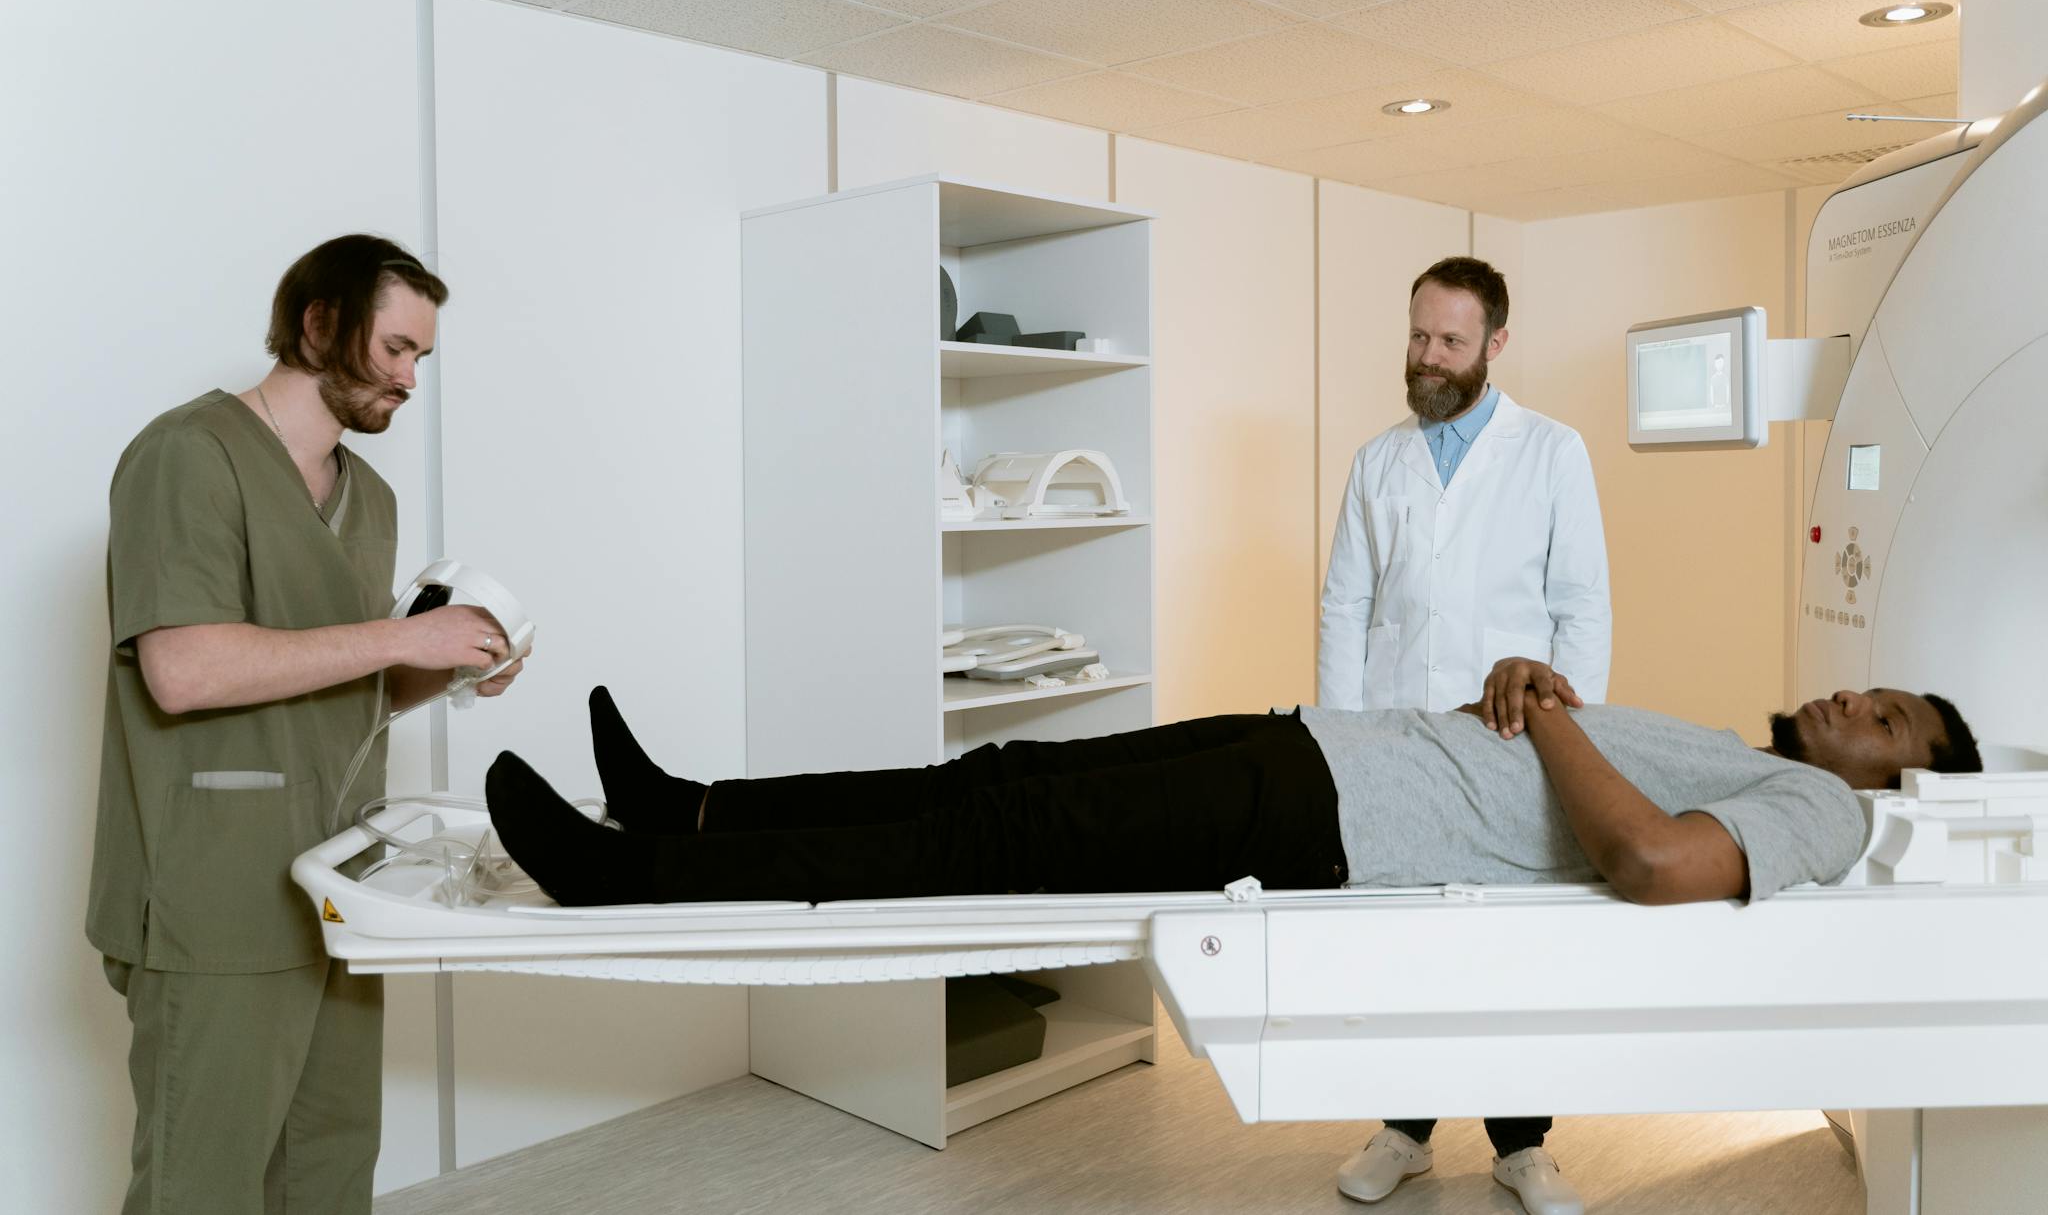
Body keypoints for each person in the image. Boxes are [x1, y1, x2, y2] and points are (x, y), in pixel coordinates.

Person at [88, 235, 531, 1215]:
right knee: (199, 1186)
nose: (411, 379)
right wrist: (394, 634)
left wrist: (450, 668)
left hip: (339, 884)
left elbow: (350, 689)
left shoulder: (368, 495)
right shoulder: (184, 457)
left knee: (331, 1168)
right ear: (319, 323)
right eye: (396, 349)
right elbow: (184, 669)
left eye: (422, 358)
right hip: (214, 894)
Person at [489, 665, 1978, 913]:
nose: (1860, 698)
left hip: (1329, 823)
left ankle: (626, 873)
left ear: (1906, 774)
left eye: (1891, 713)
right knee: (996, 771)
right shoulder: (1753, 743)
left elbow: (1651, 863)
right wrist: (1509, 693)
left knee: (995, 837)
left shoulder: (1828, 819)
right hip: (1321, 744)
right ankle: (685, 804)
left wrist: (1537, 704)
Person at [1316, 255, 1611, 1212]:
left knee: (1514, 945)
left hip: (1512, 741)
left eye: (1449, 340)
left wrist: (1572, 740)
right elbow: (1345, 610)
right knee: (1404, 940)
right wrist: (1342, 737)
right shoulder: (1377, 461)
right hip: (1397, 737)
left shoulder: (1552, 451)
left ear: (1496, 343)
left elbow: (1582, 607)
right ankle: (1406, 1129)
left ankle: (1523, 1145)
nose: (1428, 356)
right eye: (1417, 336)